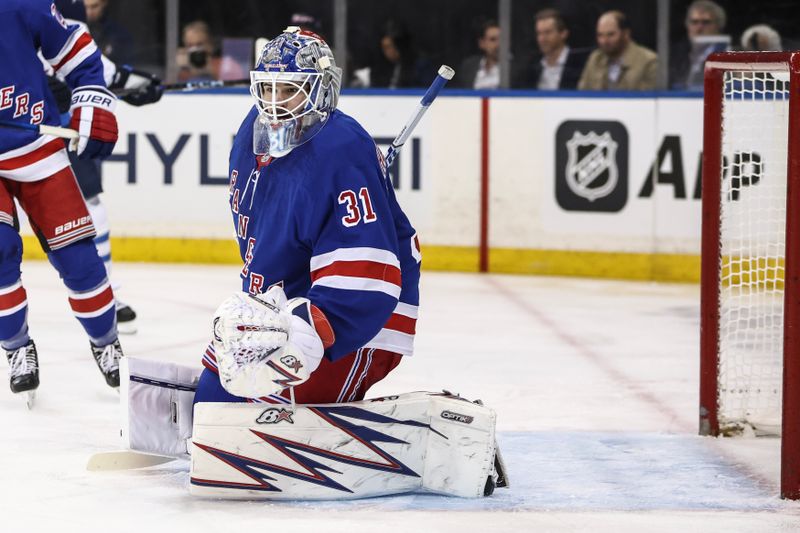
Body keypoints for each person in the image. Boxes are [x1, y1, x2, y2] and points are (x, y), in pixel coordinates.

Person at [193, 27, 420, 406]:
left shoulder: (341, 148)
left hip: (358, 320)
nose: (275, 103)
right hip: (284, 306)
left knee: (259, 408)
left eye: (289, 89)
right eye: (268, 88)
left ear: (321, 89)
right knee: (213, 401)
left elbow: (368, 271)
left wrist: (311, 332)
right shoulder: (252, 132)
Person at [0, 0, 125, 398]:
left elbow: (76, 50)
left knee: (80, 260)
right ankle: (17, 348)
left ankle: (106, 342)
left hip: (37, 145)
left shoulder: (17, 5)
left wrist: (91, 97)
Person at [50, 0, 165, 334]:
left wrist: (136, 83)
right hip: (35, 124)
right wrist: (133, 83)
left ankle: (105, 294)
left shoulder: (63, 13)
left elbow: (90, 62)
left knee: (90, 207)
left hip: (56, 123)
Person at [578, 10, 658, 91]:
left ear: (626, 34)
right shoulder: (595, 59)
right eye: (600, 35)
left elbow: (647, 101)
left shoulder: (649, 62)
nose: (604, 41)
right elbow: (581, 96)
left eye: (610, 35)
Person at [513, 9, 589, 90]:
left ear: (563, 34)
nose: (542, 39)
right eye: (539, 33)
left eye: (547, 33)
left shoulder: (581, 64)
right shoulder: (531, 67)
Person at [669, 0, 728, 90]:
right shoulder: (676, 55)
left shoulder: (728, 56)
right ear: (687, 25)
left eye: (706, 22)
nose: (699, 28)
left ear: (718, 26)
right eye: (694, 22)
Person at [369, 21, 434, 88]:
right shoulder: (381, 65)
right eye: (383, 47)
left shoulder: (420, 65)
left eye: (388, 47)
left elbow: (426, 90)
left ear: (399, 46)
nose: (385, 51)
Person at [177, 20, 246, 82]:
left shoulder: (228, 66)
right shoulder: (181, 70)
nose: (195, 50)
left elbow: (236, 91)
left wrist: (212, 70)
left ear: (210, 45)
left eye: (199, 44)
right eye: (190, 45)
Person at [84, 0, 133, 65]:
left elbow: (126, 65)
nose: (89, 12)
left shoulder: (119, 34)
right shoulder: (80, 30)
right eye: (86, 7)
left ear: (104, 3)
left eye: (94, 6)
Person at [457, 20, 501, 90]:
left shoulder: (515, 70)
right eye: (493, 39)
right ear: (481, 43)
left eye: (502, 39)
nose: (498, 44)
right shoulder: (468, 67)